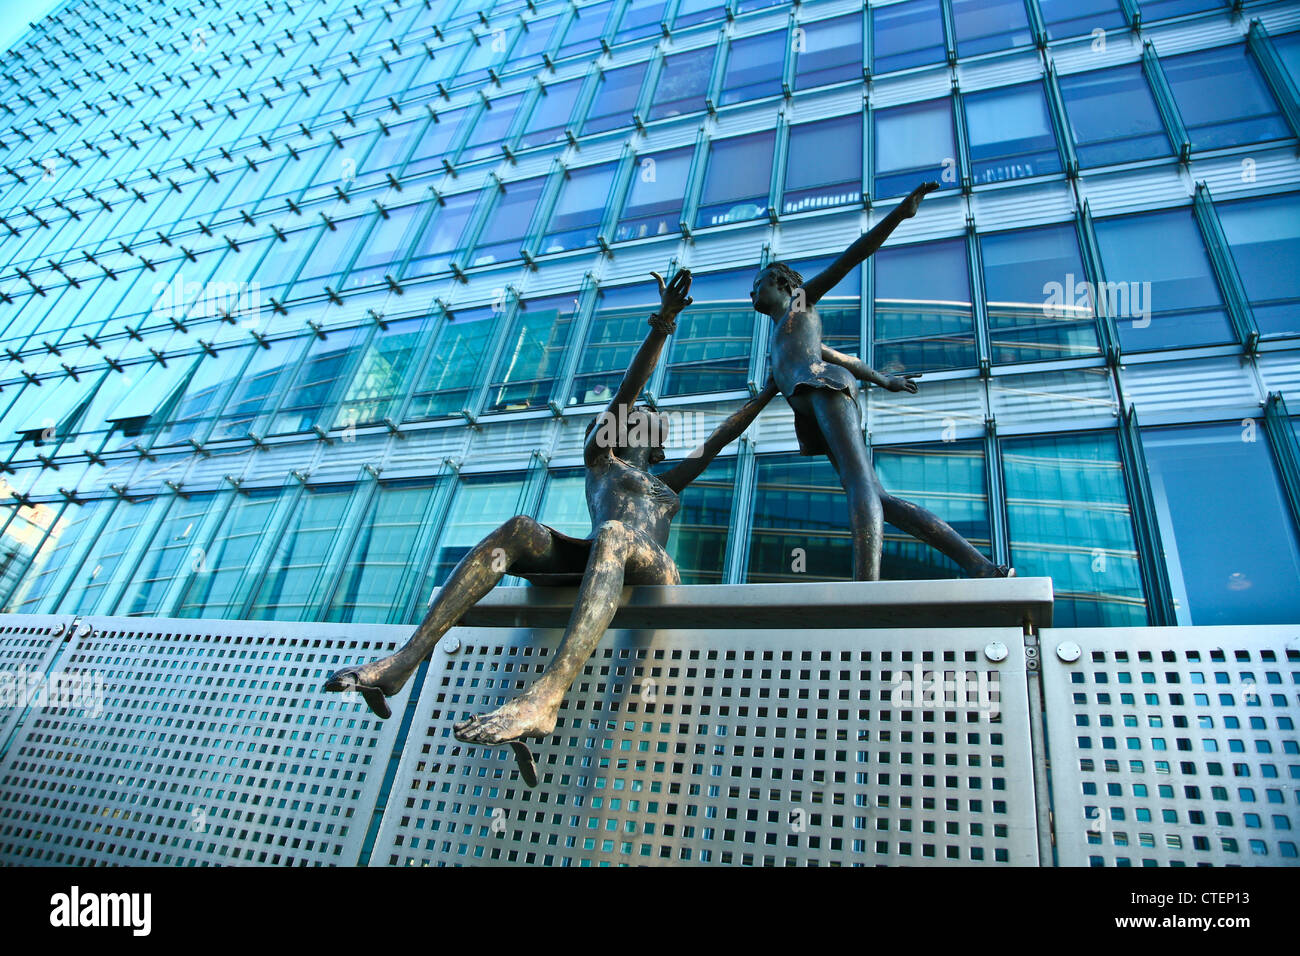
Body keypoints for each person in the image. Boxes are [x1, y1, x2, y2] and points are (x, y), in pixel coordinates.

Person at [324, 268, 779, 777]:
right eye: (631, 420)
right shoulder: (604, 460)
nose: (638, 423)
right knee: (522, 527)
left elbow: (719, 438)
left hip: (657, 575)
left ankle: (547, 696)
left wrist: (771, 391)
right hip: (604, 556)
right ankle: (405, 660)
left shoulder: (667, 481)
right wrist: (662, 326)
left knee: (615, 534)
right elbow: (627, 393)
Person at [751, 181, 1012, 581]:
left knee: (859, 484)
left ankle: (865, 587)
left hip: (825, 388)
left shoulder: (801, 305)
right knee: (879, 498)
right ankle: (980, 566)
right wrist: (883, 380)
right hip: (818, 394)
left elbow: (849, 259)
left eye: (761, 282)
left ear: (786, 286)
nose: (752, 290)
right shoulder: (780, 339)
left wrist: (899, 215)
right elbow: (847, 359)